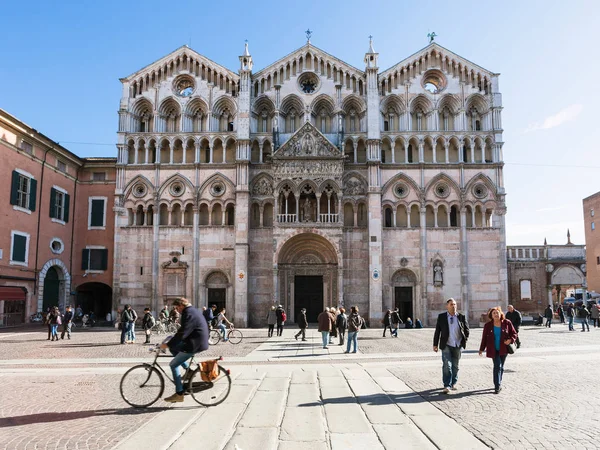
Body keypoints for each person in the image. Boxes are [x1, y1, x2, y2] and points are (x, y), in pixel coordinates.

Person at [160, 297, 209, 403]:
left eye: (177, 308)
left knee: (173, 365)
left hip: (195, 343)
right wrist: (172, 343)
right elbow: (183, 331)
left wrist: (168, 344)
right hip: (196, 341)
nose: (177, 310)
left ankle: (179, 393)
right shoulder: (192, 310)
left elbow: (183, 332)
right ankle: (188, 371)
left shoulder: (188, 313)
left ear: (181, 305)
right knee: (174, 349)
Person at [433, 298, 470, 394]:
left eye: (454, 304)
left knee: (455, 365)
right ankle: (447, 385)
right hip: (446, 344)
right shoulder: (442, 317)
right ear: (447, 306)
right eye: (451, 304)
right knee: (447, 365)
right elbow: (437, 331)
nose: (453, 306)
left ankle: (453, 382)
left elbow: (466, 330)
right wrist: (435, 344)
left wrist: (464, 340)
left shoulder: (461, 316)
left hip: (457, 344)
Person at [478, 306, 518, 394]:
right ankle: (497, 386)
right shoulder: (488, 326)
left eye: (497, 313)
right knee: (497, 366)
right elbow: (484, 338)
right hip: (493, 349)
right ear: (491, 315)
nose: (496, 314)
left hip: (504, 349)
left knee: (501, 367)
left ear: (501, 314)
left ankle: (499, 382)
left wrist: (510, 340)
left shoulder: (507, 323)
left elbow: (514, 333)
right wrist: (481, 349)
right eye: (494, 313)